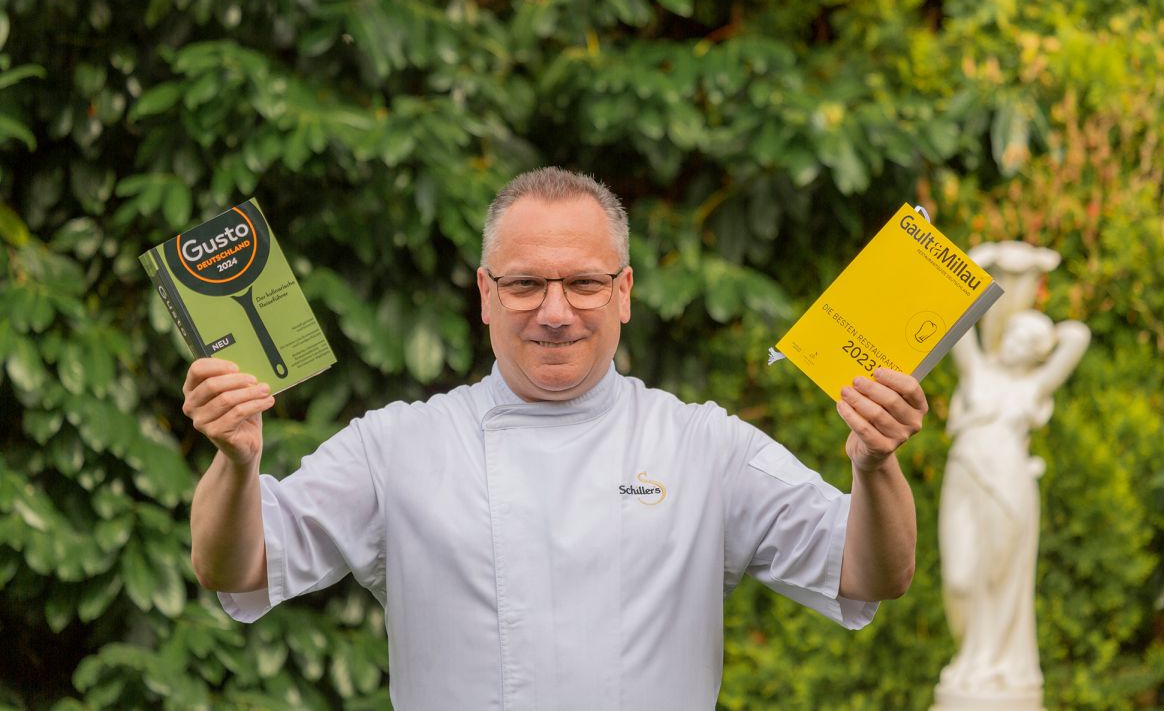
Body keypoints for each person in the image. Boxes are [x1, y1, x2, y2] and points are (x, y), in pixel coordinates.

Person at [184, 168, 926, 710]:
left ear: (625, 291)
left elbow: (869, 571)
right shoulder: (398, 445)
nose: (554, 310)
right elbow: (238, 564)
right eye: (523, 284)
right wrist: (236, 460)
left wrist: (877, 465)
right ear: (484, 294)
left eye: (583, 283)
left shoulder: (703, 445)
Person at [937, 307, 1089, 699]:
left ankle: (988, 664)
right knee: (958, 580)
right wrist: (985, 266)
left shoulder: (1034, 387)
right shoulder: (977, 373)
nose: (1013, 344)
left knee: (999, 580)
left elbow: (1078, 336)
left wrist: (1043, 327)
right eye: (1012, 334)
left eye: (1026, 342)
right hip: (964, 479)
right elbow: (955, 324)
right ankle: (970, 655)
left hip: (1009, 487)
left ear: (1038, 355)